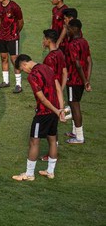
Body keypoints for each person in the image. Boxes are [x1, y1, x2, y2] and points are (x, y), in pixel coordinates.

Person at [13, 54, 65, 181]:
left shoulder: (33, 76)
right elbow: (58, 89)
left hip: (44, 113)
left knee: (34, 142)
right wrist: (60, 109)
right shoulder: (47, 67)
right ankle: (50, 172)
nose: (24, 72)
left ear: (24, 64)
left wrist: (56, 111)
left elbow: (42, 98)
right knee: (52, 140)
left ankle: (29, 174)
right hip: (54, 111)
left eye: (22, 69)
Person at [40, 29, 69, 161]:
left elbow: (47, 78)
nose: (43, 41)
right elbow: (64, 73)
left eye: (44, 39)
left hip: (50, 94)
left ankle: (53, 153)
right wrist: (61, 91)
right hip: (57, 92)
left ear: (48, 40)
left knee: (50, 127)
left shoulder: (49, 58)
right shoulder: (60, 53)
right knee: (53, 125)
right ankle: (54, 151)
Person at [64, 19, 92, 145]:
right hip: (81, 80)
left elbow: (77, 64)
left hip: (73, 80)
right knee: (73, 104)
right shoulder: (84, 41)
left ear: (74, 29)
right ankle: (75, 132)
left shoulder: (72, 44)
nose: (67, 31)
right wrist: (87, 80)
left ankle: (79, 137)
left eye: (68, 28)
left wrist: (84, 80)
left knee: (74, 106)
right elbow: (89, 61)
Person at [0, 0, 24, 93]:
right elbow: (1, 20)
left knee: (14, 60)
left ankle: (18, 84)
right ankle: (5, 81)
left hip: (12, 37)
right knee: (3, 58)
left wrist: (15, 33)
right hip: (2, 37)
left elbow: (21, 22)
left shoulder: (14, 7)